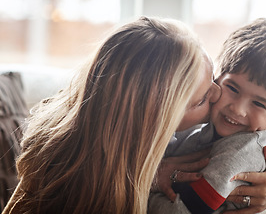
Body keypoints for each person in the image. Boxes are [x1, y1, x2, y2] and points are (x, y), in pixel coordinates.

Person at [2, 16, 221, 214]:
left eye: (214, 77)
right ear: (153, 124)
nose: (219, 92)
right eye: (201, 100)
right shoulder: (70, 181)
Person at [148, 18, 266, 214]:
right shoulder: (203, 128)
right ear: (218, 77)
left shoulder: (239, 154)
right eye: (232, 88)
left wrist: (139, 191)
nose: (238, 109)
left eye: (258, 103)